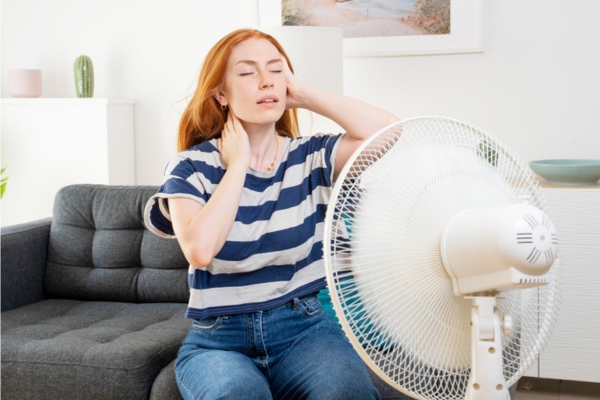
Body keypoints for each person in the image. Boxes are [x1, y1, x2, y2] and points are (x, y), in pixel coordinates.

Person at [144, 28, 399, 400]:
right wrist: (238, 165)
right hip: (219, 340)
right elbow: (199, 250)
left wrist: (304, 96)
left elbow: (391, 133)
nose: (266, 81)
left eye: (276, 70)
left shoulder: (310, 156)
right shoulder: (189, 166)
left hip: (304, 329)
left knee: (346, 393)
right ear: (221, 94)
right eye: (247, 73)